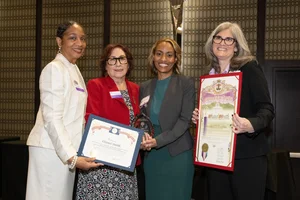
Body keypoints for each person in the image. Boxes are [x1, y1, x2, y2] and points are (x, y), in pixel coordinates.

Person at [192, 22, 275, 200]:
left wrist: (250, 124)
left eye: (229, 39)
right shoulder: (210, 75)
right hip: (216, 158)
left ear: (236, 46)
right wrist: (201, 117)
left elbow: (267, 109)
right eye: (218, 38)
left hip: (247, 158)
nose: (222, 42)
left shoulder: (249, 68)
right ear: (212, 42)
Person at [26, 21, 101, 200]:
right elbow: (52, 118)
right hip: (50, 150)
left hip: (66, 152)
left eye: (83, 39)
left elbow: (76, 118)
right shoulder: (54, 69)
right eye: (72, 38)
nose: (79, 43)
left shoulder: (73, 69)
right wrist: (71, 157)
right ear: (59, 41)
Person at [76, 44, 141, 200]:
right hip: (101, 163)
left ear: (128, 63)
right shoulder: (96, 85)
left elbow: (138, 122)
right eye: (112, 59)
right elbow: (91, 119)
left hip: (126, 164)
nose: (118, 64)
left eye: (122, 59)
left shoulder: (135, 89)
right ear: (105, 65)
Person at [140, 38, 195, 200]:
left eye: (169, 55)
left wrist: (158, 141)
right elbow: (141, 119)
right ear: (153, 57)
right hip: (152, 155)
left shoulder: (185, 84)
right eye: (159, 54)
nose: (163, 59)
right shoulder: (145, 87)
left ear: (176, 59)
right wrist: (144, 137)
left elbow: (185, 120)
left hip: (177, 152)